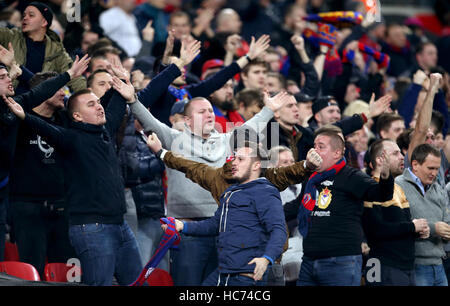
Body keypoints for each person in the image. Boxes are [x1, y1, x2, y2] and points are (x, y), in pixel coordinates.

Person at [128, 89, 292, 286]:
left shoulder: (227, 141)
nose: (209, 114)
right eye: (201, 111)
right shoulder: (173, 139)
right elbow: (150, 122)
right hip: (187, 230)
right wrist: (132, 100)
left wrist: (268, 109)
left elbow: (252, 127)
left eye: (210, 111)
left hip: (222, 229)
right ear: (187, 120)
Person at [4, 77, 142, 286]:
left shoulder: (105, 131)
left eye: (98, 102)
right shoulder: (71, 138)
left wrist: (122, 81)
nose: (99, 107)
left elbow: (118, 103)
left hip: (120, 224)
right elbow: (51, 131)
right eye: (91, 104)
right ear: (77, 116)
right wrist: (25, 117)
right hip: (92, 227)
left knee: (138, 283)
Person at [164, 142, 287, 286]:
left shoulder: (265, 192)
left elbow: (279, 230)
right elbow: (215, 224)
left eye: (240, 159)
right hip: (223, 273)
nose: (234, 163)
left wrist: (266, 259)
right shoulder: (229, 193)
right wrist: (182, 226)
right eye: (234, 158)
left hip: (246, 277)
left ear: (256, 165)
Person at [285, 126, 395, 286]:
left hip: (340, 262)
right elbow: (296, 206)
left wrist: (385, 176)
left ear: (337, 153)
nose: (314, 151)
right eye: (314, 146)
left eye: (321, 147)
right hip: (308, 261)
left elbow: (381, 194)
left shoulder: (352, 176)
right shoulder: (311, 179)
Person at [362, 139, 430, 286]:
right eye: (395, 153)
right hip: (383, 265)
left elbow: (398, 225)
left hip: (405, 265)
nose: (402, 156)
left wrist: (418, 231)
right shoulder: (369, 188)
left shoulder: (397, 188)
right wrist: (412, 227)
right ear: (381, 159)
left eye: (400, 152)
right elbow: (375, 230)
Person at [395, 144, 450, 286]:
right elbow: (398, 223)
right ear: (415, 165)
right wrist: (433, 229)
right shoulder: (398, 185)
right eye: (430, 168)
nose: (434, 173)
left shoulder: (438, 188)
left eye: (437, 169)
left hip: (439, 264)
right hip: (414, 265)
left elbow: (447, 222)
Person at [0, 2, 86, 92]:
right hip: (10, 98)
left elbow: (76, 79)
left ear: (44, 22)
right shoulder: (10, 36)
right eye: (24, 15)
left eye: (31, 15)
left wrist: (90, 96)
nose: (25, 18)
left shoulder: (57, 51)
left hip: (39, 102)